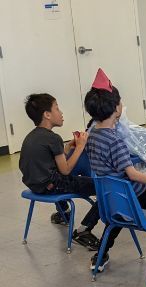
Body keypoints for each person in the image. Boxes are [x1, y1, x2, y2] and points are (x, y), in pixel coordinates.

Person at [84, 71, 146, 273]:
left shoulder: (92, 135)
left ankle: (101, 255)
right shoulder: (115, 140)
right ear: (115, 108)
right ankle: (132, 213)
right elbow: (133, 174)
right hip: (133, 195)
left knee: (119, 207)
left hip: (110, 199)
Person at [18, 93, 101, 250]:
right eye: (57, 108)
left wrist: (68, 148)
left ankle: (63, 213)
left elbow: (50, 162)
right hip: (53, 185)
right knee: (104, 188)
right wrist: (81, 146)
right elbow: (66, 169)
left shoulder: (31, 137)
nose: (61, 112)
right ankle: (84, 230)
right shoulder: (53, 138)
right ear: (47, 115)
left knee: (62, 173)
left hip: (36, 185)